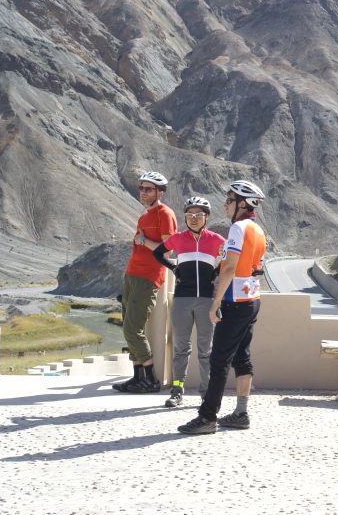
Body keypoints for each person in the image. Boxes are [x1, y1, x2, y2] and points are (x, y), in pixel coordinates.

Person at [179, 180, 266, 435]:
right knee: (242, 357)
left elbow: (229, 267)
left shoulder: (238, 228)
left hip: (235, 301)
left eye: (230, 200)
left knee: (218, 360)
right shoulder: (257, 229)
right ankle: (241, 413)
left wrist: (215, 301)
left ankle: (207, 417)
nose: (225, 205)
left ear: (243, 204)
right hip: (252, 299)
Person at [151, 196, 225, 408]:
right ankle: (177, 391)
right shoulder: (177, 238)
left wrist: (216, 271)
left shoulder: (217, 239)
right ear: (184, 217)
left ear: (206, 217)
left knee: (206, 350)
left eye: (198, 214)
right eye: (189, 214)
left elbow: (231, 258)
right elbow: (157, 253)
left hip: (206, 300)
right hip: (182, 299)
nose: (194, 218)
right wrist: (173, 268)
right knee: (181, 348)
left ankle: (206, 394)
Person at [112, 171, 177, 394]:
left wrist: (144, 241)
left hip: (148, 277)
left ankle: (151, 379)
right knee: (128, 327)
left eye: (148, 189)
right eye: (141, 188)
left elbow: (168, 251)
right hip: (132, 274)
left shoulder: (165, 214)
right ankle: (137, 376)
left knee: (133, 328)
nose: (143, 192)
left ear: (160, 192)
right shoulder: (144, 216)